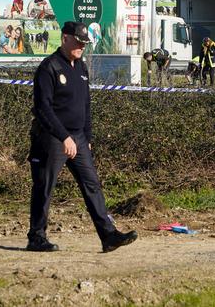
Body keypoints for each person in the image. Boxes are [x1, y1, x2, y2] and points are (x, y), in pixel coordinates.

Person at [27, 21, 137, 253]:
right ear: (65, 38)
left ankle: (108, 235)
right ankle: (36, 237)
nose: (81, 47)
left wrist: (86, 136)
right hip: (53, 137)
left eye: (84, 43)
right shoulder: (50, 68)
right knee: (44, 187)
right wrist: (63, 136)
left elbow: (85, 104)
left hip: (78, 137)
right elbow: (43, 108)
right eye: (78, 42)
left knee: (92, 185)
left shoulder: (81, 67)